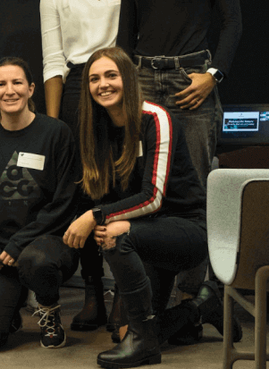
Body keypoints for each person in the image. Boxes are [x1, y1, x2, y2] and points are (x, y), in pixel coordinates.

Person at [116, 0, 242, 313]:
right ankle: (150, 294)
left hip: (193, 81)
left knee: (193, 192)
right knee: (148, 186)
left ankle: (193, 298)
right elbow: (124, 39)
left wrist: (214, 75)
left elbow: (232, 22)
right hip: (144, 82)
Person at [63, 47, 224, 368]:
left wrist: (94, 218)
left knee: (113, 233)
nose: (102, 84)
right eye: (94, 79)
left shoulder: (155, 117)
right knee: (125, 330)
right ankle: (200, 308)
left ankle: (145, 346)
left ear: (129, 78)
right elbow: (103, 195)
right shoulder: (97, 127)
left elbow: (154, 197)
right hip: (143, 233)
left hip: (185, 231)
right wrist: (100, 215)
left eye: (111, 75)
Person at [40, 0, 127, 331]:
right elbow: (53, 62)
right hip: (77, 89)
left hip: (122, 82)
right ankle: (93, 291)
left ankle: (126, 295)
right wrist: (55, 125)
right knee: (87, 193)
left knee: (124, 187)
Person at [0, 58, 79, 352]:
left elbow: (65, 203)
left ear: (31, 89)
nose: (9, 91)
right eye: (1, 84)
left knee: (36, 261)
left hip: (47, 246)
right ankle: (9, 307)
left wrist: (19, 245)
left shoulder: (56, 133)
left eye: (17, 83)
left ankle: (49, 310)